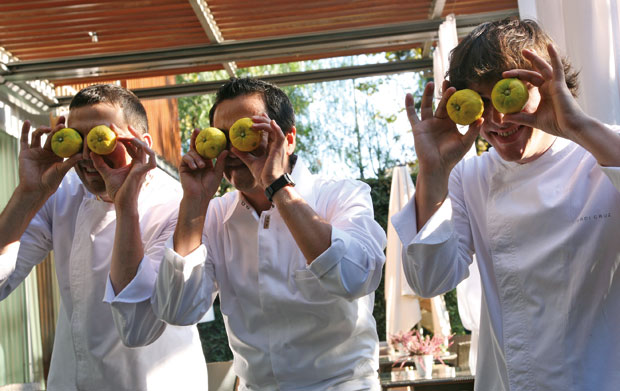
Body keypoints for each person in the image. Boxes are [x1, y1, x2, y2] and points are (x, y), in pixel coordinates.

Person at [106, 77, 387, 390]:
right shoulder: (212, 216)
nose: (234, 149)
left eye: (249, 133)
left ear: (288, 138)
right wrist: (195, 202)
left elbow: (354, 277)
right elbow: (178, 311)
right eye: (222, 139)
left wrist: (278, 186)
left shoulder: (342, 196)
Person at [392, 19, 620, 391]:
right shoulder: (470, 177)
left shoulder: (602, 152)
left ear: (547, 84)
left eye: (504, 95)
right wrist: (432, 172)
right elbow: (429, 280)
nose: (497, 120)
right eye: (480, 103)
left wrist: (576, 125)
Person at [0, 84, 208, 391]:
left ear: (142, 143)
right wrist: (28, 194)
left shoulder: (176, 205)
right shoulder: (64, 194)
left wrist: (125, 205)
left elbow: (138, 326)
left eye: (101, 139)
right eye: (76, 141)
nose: (86, 156)